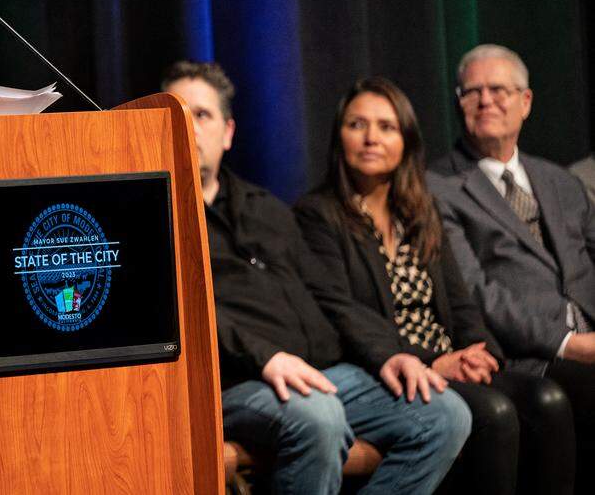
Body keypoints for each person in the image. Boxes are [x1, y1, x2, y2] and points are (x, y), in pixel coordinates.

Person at [162, 61, 470, 495]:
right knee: (320, 419)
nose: (189, 127)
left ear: (228, 132)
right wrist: (267, 357)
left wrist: (389, 355)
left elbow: (329, 296)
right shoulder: (151, 215)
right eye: (176, 114)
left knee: (444, 416)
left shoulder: (265, 208)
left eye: (201, 115)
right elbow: (175, 310)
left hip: (320, 373)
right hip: (233, 383)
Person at [294, 77, 573, 495]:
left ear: (406, 140)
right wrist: (432, 361)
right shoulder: (318, 215)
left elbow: (461, 302)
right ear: (339, 136)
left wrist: (480, 352)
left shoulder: (420, 210)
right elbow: (342, 313)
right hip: (391, 366)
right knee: (494, 413)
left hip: (451, 360)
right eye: (358, 125)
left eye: (386, 127)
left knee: (546, 401)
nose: (372, 138)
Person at [428, 43, 595, 488]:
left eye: (499, 90)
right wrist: (570, 344)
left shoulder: (562, 181)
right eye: (473, 92)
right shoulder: (438, 186)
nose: (486, 101)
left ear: (526, 102)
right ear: (458, 103)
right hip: (526, 355)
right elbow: (476, 290)